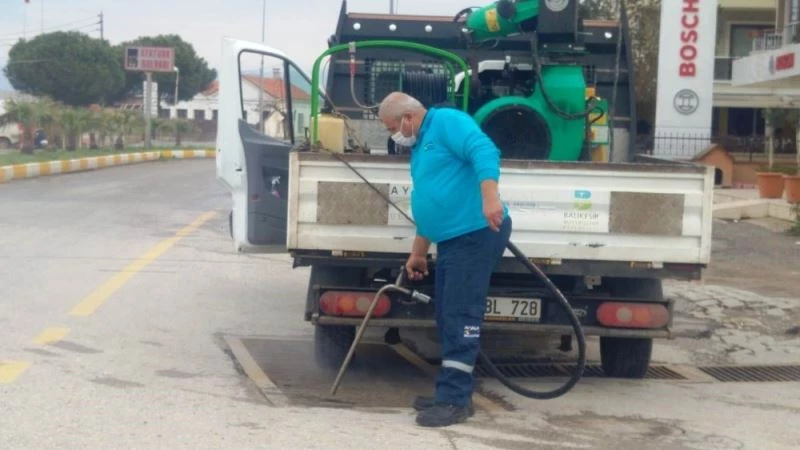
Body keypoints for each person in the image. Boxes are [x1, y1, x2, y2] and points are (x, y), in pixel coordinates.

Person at [377, 92, 512, 428]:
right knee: (446, 313)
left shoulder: (448, 122)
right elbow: (430, 197)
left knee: (460, 313)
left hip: (476, 233)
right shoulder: (421, 146)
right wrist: (419, 251)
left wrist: (490, 197)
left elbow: (484, 150)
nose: (394, 134)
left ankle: (454, 401)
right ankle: (452, 394)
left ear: (408, 117)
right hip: (452, 240)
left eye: (393, 127)